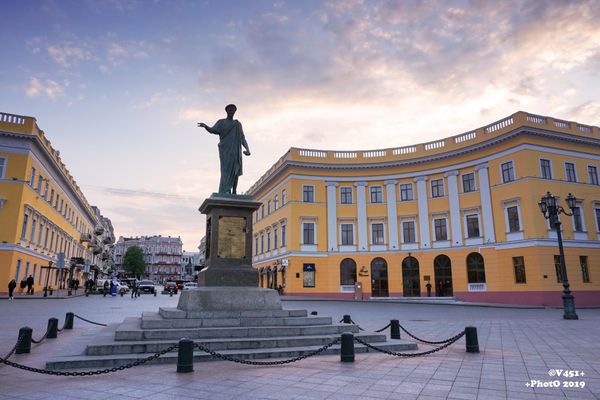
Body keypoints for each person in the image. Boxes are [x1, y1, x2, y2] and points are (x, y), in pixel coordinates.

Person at [198, 104, 251, 194]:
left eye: (233, 110)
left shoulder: (238, 124)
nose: (231, 112)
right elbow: (213, 130)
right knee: (226, 170)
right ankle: (226, 190)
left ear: (235, 112)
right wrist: (205, 126)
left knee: (236, 170)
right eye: (230, 110)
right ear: (226, 111)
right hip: (225, 150)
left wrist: (248, 149)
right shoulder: (221, 122)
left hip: (235, 150)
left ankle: (234, 190)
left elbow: (242, 138)